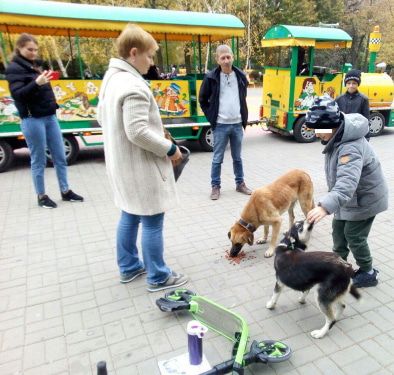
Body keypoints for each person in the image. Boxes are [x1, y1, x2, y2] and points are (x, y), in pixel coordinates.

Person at [97, 24, 188, 292]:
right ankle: (158, 276)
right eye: (149, 56)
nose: (151, 63)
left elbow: (102, 117)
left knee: (129, 214)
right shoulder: (132, 84)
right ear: (133, 52)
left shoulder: (111, 78)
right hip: (140, 168)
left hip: (122, 165)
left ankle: (128, 267)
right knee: (151, 220)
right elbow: (137, 131)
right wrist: (170, 149)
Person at [306, 96, 388, 288]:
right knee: (338, 232)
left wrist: (325, 207)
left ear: (332, 125)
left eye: (319, 129)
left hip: (364, 200)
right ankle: (338, 266)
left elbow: (346, 183)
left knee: (354, 236)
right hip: (348, 200)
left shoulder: (350, 147)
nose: (317, 134)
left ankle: (368, 272)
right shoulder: (339, 136)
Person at [5, 33, 83, 208]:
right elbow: (18, 95)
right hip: (33, 119)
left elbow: (42, 90)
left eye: (35, 49)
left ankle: (65, 191)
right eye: (29, 49)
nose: (33, 52)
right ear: (20, 48)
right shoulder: (14, 69)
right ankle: (42, 196)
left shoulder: (35, 66)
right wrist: (37, 83)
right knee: (38, 159)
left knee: (60, 156)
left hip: (49, 116)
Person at [199, 45, 252, 200]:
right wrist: (212, 117)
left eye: (228, 57)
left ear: (233, 57)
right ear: (218, 59)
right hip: (220, 125)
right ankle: (215, 187)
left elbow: (243, 97)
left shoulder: (241, 76)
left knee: (237, 157)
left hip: (237, 124)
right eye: (223, 58)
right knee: (217, 158)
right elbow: (203, 100)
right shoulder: (210, 78)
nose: (226, 60)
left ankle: (240, 183)